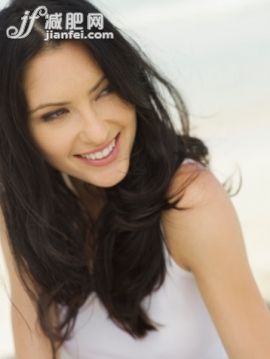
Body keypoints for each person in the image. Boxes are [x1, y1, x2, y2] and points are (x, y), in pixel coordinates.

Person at [0, 0, 270, 358]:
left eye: (105, 90)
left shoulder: (189, 201)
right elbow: (34, 345)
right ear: (18, 131)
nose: (97, 132)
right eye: (57, 113)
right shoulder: (23, 207)